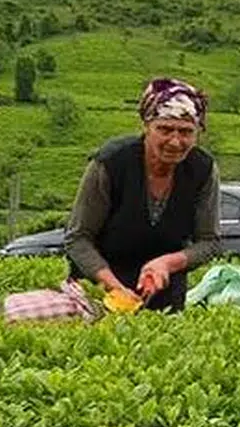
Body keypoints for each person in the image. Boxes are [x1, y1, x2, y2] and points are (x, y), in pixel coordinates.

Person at [64, 77, 222, 312]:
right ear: (147, 127)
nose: (176, 141)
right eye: (165, 129)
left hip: (164, 294)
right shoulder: (111, 163)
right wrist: (113, 287)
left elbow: (210, 242)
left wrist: (167, 263)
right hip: (99, 289)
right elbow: (78, 238)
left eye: (186, 132)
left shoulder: (203, 169)